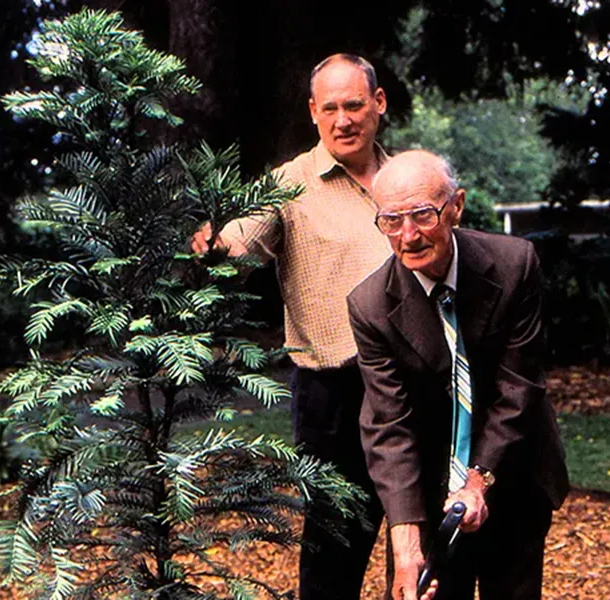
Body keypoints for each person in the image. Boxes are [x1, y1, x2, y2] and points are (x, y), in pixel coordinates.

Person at [191, 54, 392, 600]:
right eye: (330, 108)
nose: (343, 119)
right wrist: (216, 243)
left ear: (379, 104)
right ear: (312, 112)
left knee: (417, 542)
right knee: (334, 550)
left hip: (413, 390)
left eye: (354, 104)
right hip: (333, 393)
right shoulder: (291, 183)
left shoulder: (403, 181)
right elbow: (241, 239)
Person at [346, 150, 570, 600]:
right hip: (427, 493)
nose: (407, 236)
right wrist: (406, 540)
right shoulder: (370, 306)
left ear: (456, 206)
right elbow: (389, 426)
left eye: (422, 216)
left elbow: (518, 389)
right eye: (391, 220)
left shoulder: (513, 265)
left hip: (513, 475)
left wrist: (478, 481)